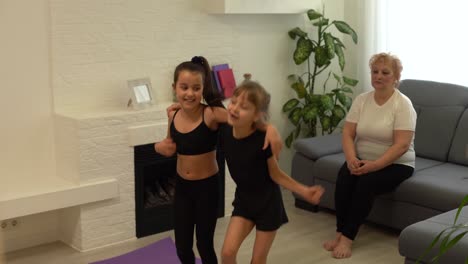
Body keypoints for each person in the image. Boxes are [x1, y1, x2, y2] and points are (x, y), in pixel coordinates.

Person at [154, 56, 282, 264]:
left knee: (204, 246)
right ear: (174, 88)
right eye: (184, 87)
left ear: (203, 89)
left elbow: (243, 117)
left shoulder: (211, 114)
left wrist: (270, 128)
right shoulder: (173, 115)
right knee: (182, 247)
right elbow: (168, 146)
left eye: (196, 88)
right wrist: (157, 146)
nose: (190, 93)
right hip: (183, 188)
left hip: (207, 188)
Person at [323, 52, 417, 259]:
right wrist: (351, 159)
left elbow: (401, 145)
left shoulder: (403, 105)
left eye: (385, 72)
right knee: (345, 176)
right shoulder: (362, 100)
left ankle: (347, 239)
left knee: (366, 182)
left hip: (397, 164)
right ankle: (339, 232)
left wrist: (374, 166)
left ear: (396, 77)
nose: (379, 76)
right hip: (362, 159)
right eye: (375, 72)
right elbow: (348, 133)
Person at [220, 81, 325, 264]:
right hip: (244, 201)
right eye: (234, 101)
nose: (234, 109)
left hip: (267, 205)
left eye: (243, 107)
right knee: (228, 253)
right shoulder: (225, 132)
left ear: (256, 116)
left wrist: (304, 191)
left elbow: (276, 174)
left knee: (258, 260)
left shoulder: (263, 141)